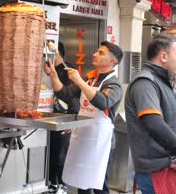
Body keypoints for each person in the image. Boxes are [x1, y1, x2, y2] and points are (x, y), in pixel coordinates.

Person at [45, 41, 123, 194]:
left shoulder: (114, 85)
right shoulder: (90, 80)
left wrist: (79, 81)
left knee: (100, 187)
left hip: (102, 142)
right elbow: (63, 93)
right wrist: (53, 74)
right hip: (84, 139)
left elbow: (103, 102)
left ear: (112, 61)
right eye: (96, 51)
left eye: (101, 53)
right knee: (82, 183)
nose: (94, 55)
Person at [125, 34, 176, 194]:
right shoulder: (145, 83)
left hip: (172, 166)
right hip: (159, 169)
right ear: (163, 56)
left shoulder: (164, 83)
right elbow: (153, 122)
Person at [48, 42, 80, 194]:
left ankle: (62, 185)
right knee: (52, 153)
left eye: (47, 55)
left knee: (60, 156)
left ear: (56, 54)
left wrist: (72, 121)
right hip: (53, 118)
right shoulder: (51, 70)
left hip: (65, 120)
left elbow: (73, 98)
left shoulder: (68, 70)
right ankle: (52, 184)